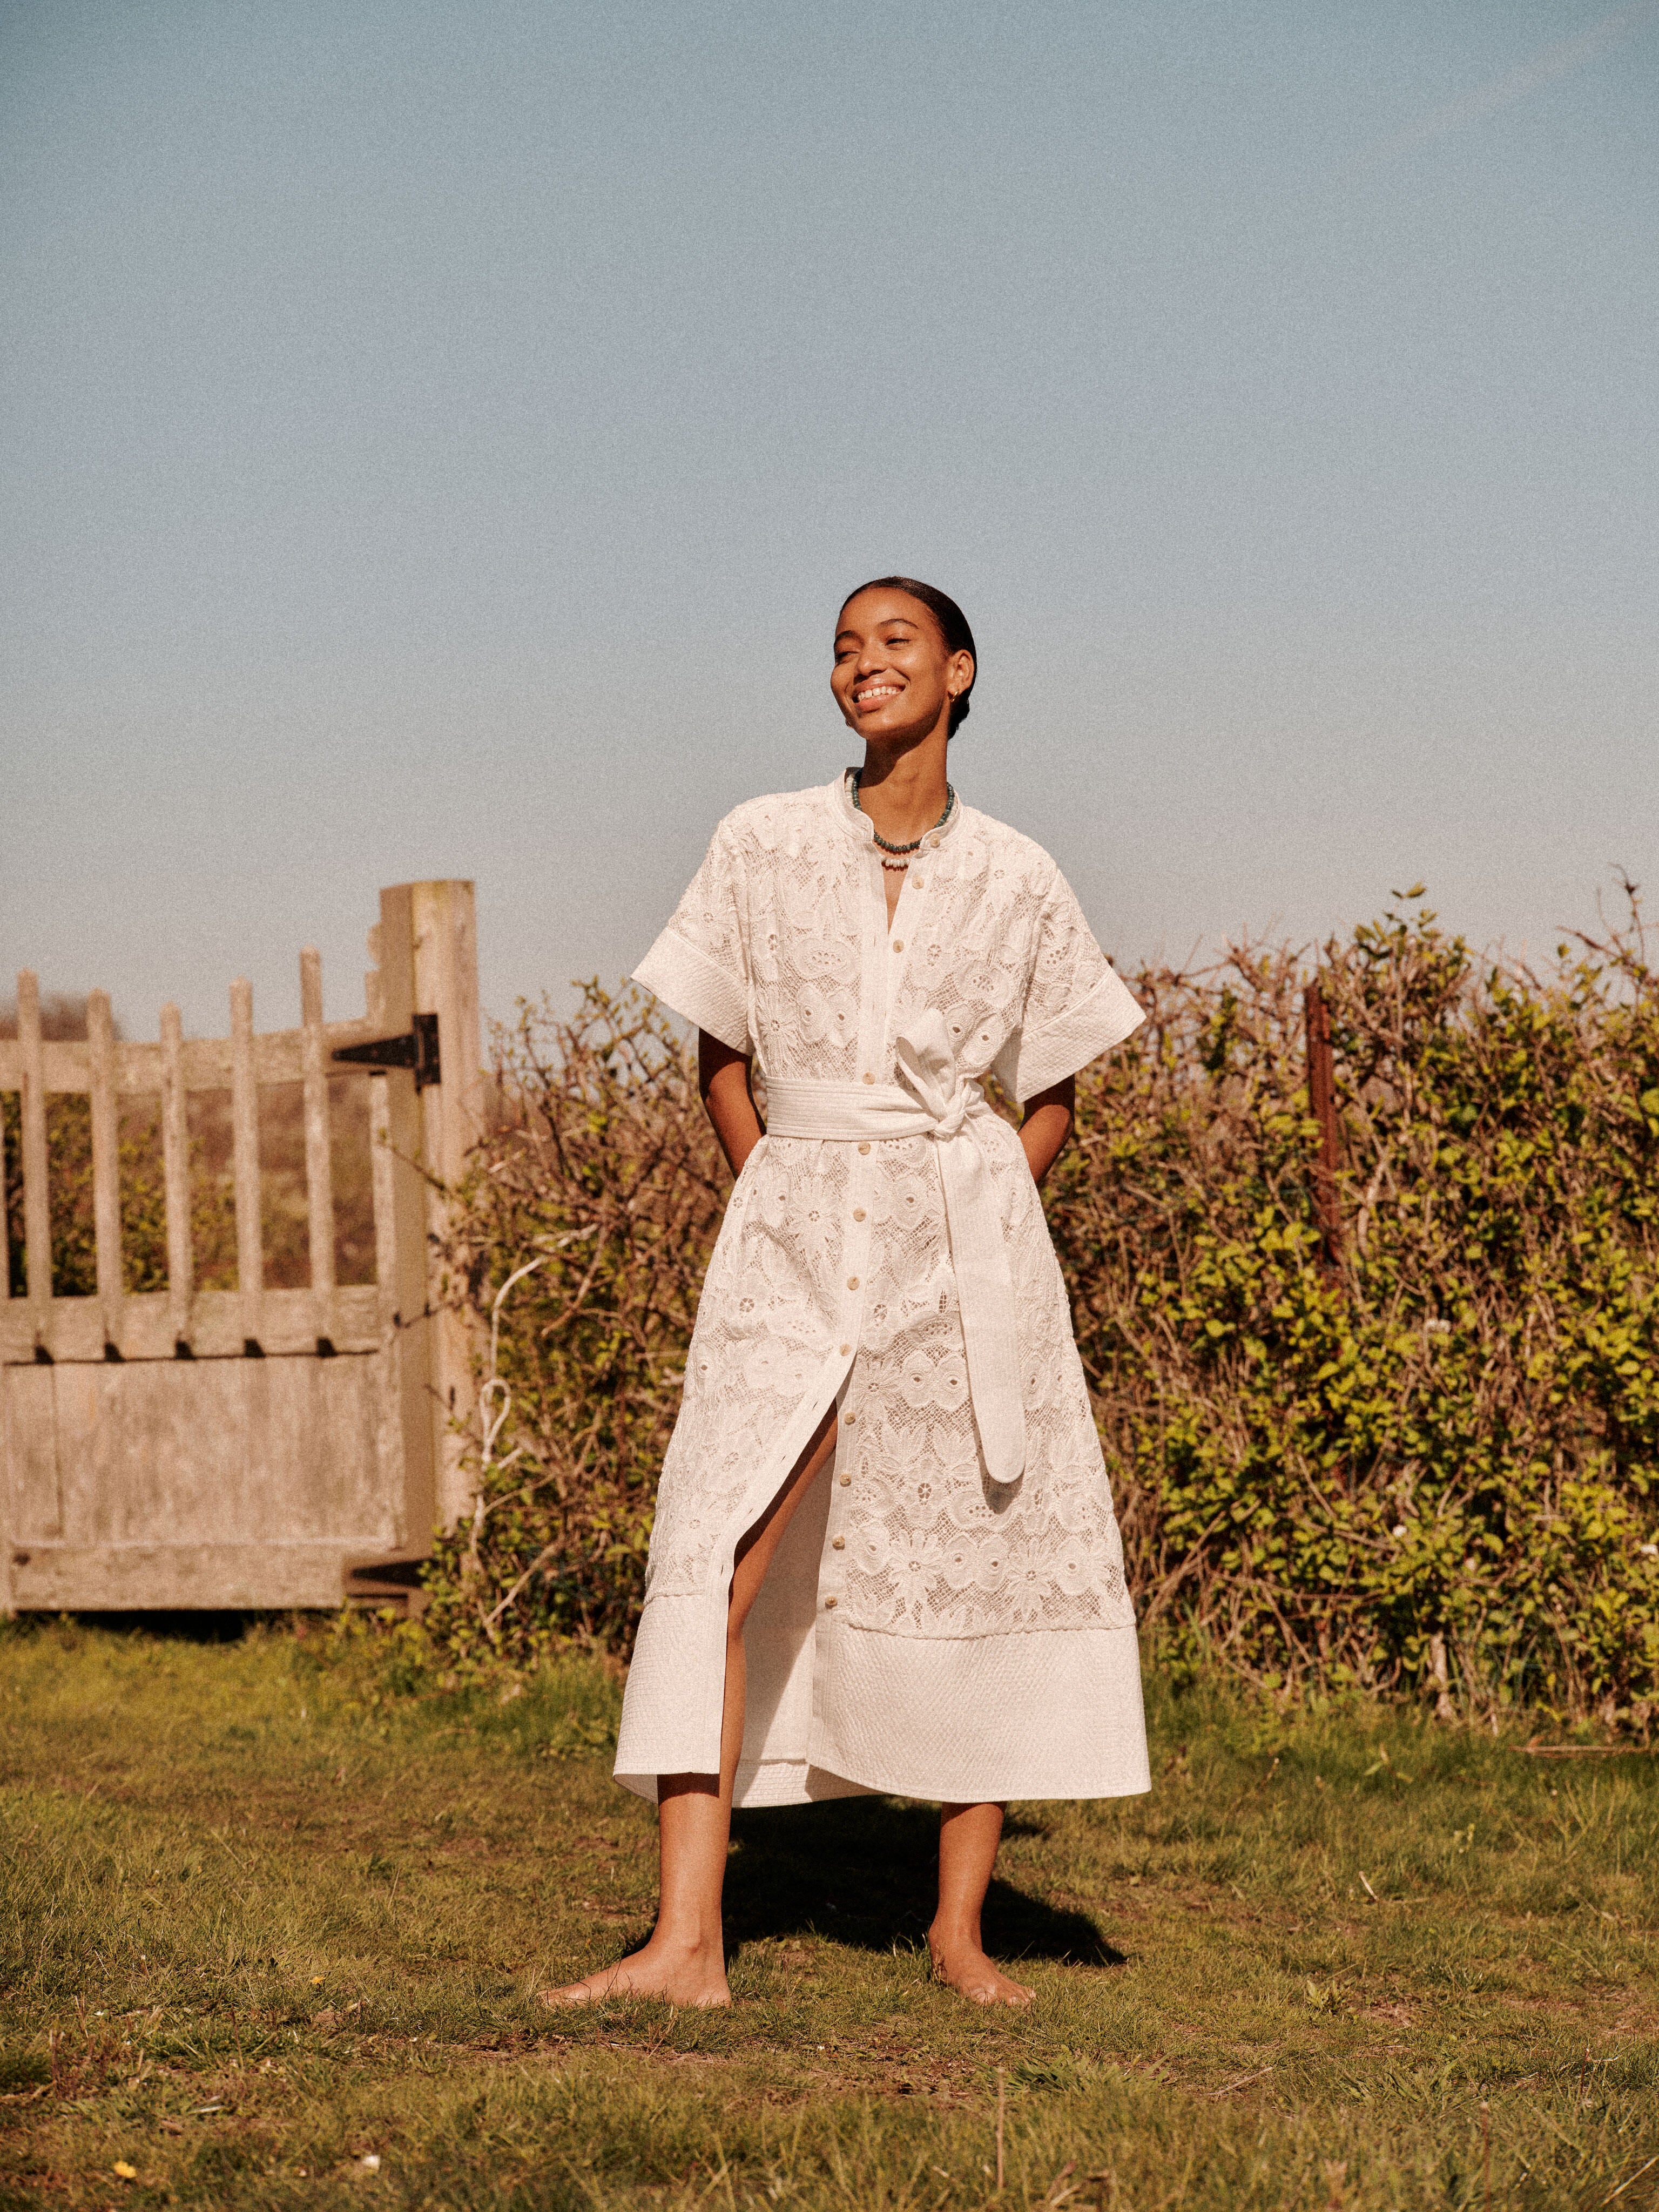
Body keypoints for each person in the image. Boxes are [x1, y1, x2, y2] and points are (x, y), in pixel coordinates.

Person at [544, 576, 1149, 2012]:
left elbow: (1052, 1093)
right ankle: (686, 1948)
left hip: (962, 1267)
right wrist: (784, 1193)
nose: (862, 664)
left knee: (974, 1557)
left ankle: (959, 1935)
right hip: (794, 1250)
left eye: (894, 641)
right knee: (716, 1550)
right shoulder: (759, 842)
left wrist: (979, 1219)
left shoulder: (1020, 874)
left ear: (960, 671)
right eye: (841, 647)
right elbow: (722, 1057)